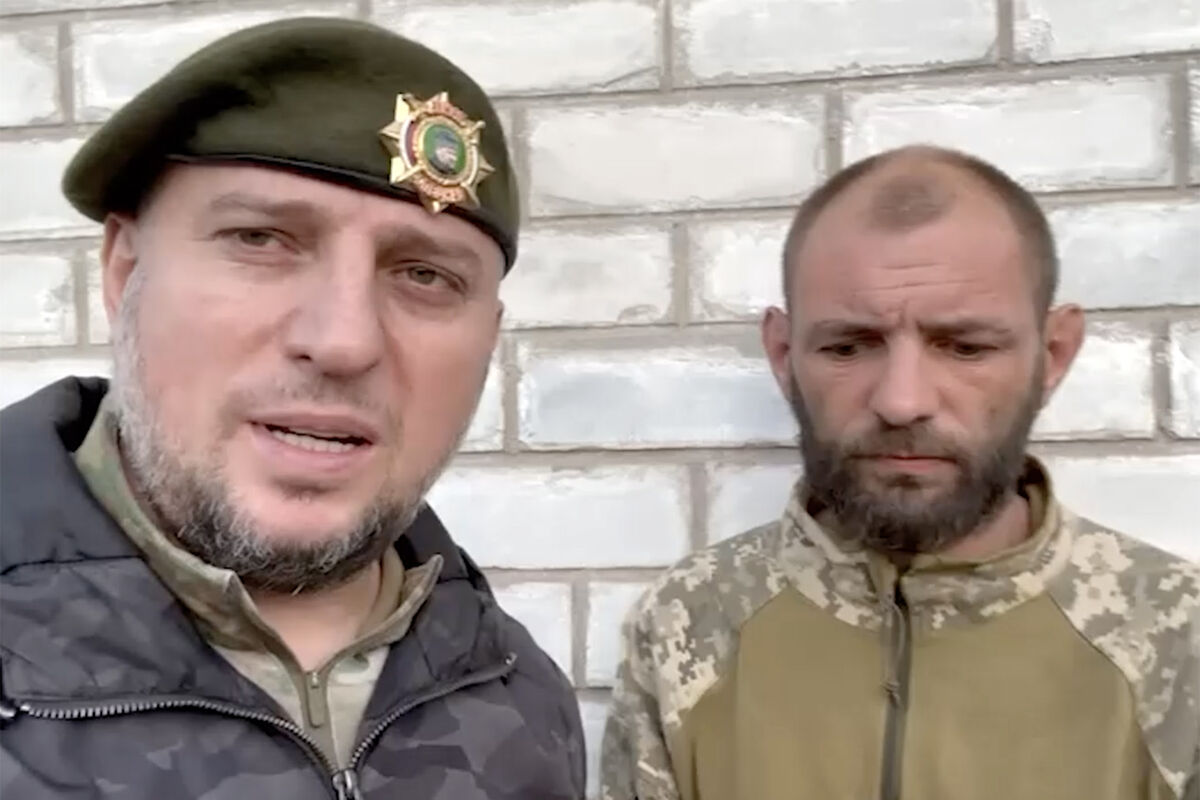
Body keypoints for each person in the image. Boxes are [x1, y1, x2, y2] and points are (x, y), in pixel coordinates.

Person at [0, 18, 584, 800]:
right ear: (124, 270)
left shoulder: (519, 698)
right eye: (261, 239)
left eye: (425, 276)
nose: (344, 342)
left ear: (490, 339)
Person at [599, 145, 1199, 800]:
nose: (901, 400)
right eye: (848, 347)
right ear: (783, 355)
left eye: (965, 347)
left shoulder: (1179, 637)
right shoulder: (686, 624)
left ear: (1052, 355)